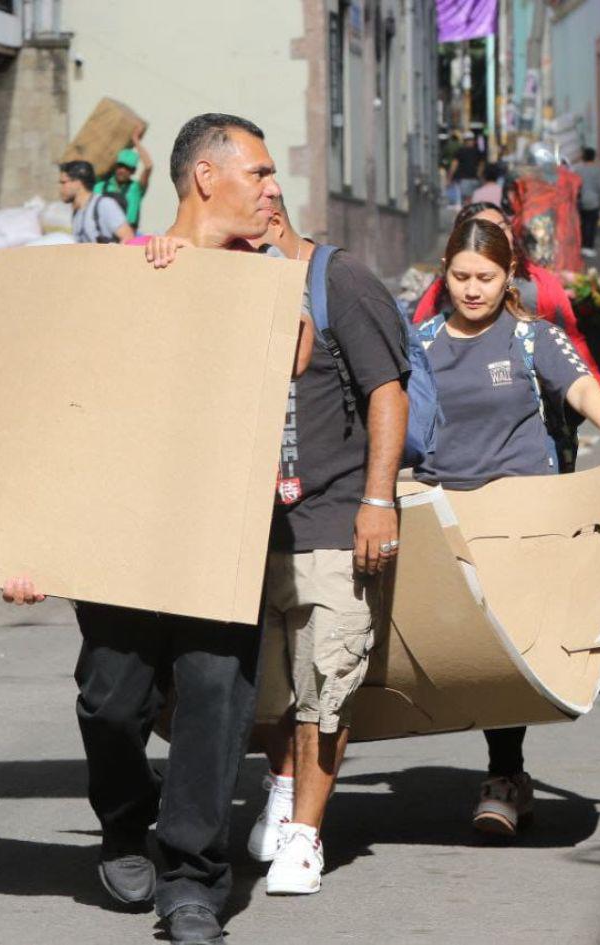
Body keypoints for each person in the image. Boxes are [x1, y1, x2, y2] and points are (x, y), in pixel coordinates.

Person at [3, 113, 295, 945]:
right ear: (207, 177)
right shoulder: (124, 270)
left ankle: (193, 879)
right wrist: (27, 541)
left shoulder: (266, 279)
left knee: (213, 689)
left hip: (221, 521)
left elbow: (301, 352)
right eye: (260, 174)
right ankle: (127, 821)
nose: (273, 188)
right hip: (120, 524)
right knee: (112, 696)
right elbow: (64, 411)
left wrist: (255, 261)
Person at [414, 217, 600, 833]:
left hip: (522, 514)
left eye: (486, 278)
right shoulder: (423, 342)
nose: (472, 289)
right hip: (447, 514)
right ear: (444, 274)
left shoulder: (529, 336)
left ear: (509, 276)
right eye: (461, 276)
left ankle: (504, 772)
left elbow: (580, 387)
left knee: (508, 642)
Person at [241, 195, 410, 897]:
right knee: (270, 693)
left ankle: (305, 836)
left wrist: (377, 500)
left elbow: (387, 393)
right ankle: (281, 791)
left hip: (334, 521)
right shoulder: (235, 281)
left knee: (325, 691)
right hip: (254, 531)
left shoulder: (341, 282)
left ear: (270, 218)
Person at [412, 201, 600, 391]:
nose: (472, 291)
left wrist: (593, 383)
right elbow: (418, 347)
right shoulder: (439, 294)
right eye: (483, 230)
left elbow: (570, 338)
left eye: (501, 228)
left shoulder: (540, 284)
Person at [59, 160, 134, 244]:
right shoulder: (77, 212)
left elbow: (128, 238)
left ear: (77, 182)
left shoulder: (104, 204)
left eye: (63, 182)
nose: (60, 188)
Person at [95, 124, 153, 231]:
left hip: (128, 240)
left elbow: (148, 166)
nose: (122, 170)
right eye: (120, 166)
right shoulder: (100, 186)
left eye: (127, 168)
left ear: (133, 171)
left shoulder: (136, 188)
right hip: (103, 239)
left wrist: (135, 140)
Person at [574, 147, 600, 257]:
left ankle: (582, 245)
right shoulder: (597, 170)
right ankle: (589, 246)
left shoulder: (577, 169)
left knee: (582, 224)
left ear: (583, 157)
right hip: (594, 201)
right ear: (594, 157)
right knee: (592, 225)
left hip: (580, 201)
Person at [448, 131, 485, 203]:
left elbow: (454, 165)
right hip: (475, 179)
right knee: (475, 201)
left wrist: (449, 178)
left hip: (464, 179)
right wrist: (480, 176)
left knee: (466, 201)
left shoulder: (460, 152)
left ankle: (468, 212)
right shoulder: (478, 152)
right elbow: (482, 165)